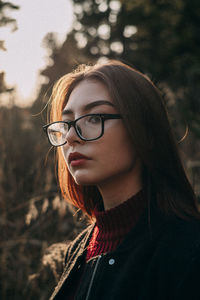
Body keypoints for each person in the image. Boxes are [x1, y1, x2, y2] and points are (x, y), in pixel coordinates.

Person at [43, 60, 200, 300]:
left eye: (94, 118)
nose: (71, 137)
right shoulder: (78, 250)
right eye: (66, 124)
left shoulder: (187, 249)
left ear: (144, 130)